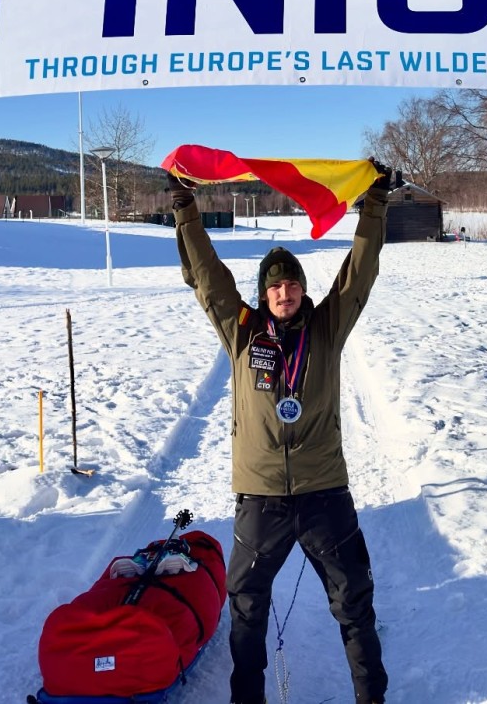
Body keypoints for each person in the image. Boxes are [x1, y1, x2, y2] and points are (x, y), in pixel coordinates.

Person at [169, 163, 393, 704]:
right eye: (275, 286)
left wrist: (376, 206)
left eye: (292, 283)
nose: (284, 292)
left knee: (354, 602)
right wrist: (184, 208)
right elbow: (207, 276)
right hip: (261, 498)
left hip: (323, 494)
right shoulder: (242, 332)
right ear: (264, 294)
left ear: (301, 289)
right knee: (246, 607)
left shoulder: (327, 328)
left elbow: (358, 276)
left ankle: (373, 699)